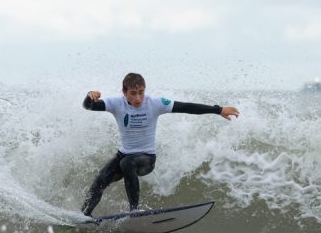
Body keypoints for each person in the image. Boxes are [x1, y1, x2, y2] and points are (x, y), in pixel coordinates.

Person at [81, 72, 239, 217]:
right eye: (133, 93)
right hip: (124, 154)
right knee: (100, 180)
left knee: (127, 162)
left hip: (146, 159)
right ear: (124, 92)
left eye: (141, 92)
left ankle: (134, 211)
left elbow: (186, 107)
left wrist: (218, 110)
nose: (138, 98)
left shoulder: (155, 103)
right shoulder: (116, 103)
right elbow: (89, 106)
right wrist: (90, 97)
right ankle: (84, 217)